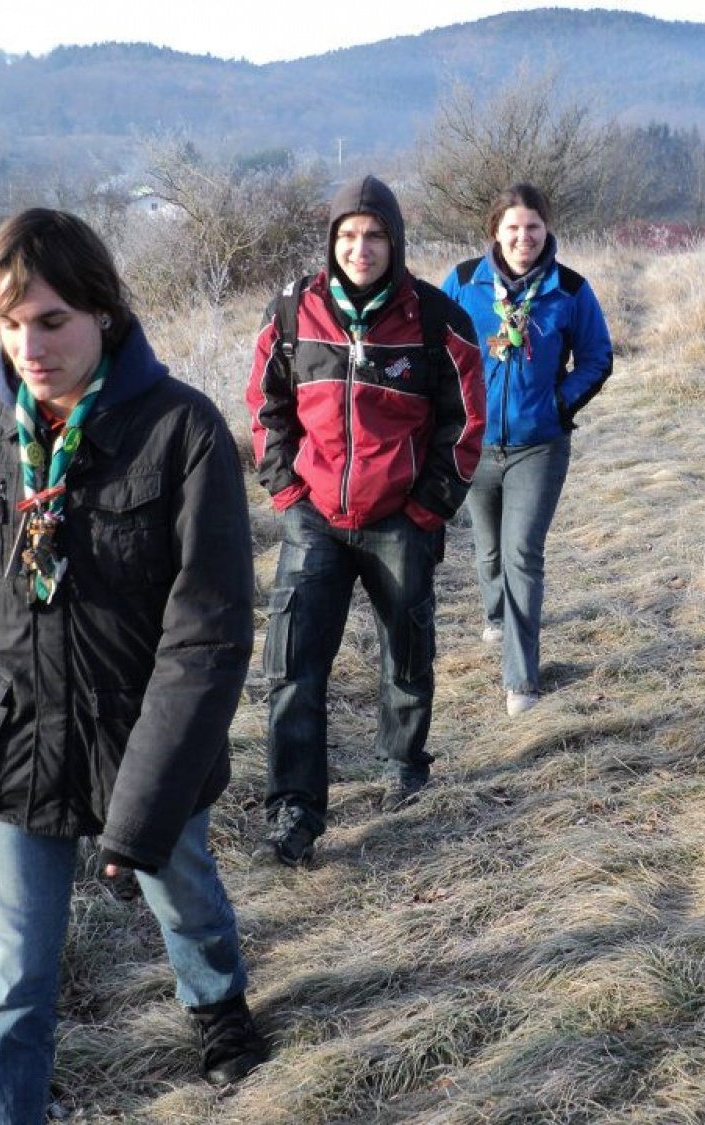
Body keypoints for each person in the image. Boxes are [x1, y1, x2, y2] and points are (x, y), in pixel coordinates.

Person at [0, 209, 267, 1122]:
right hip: (13, 742)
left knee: (182, 895)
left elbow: (208, 637)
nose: (30, 347)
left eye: (52, 320)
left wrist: (141, 810)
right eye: (10, 322)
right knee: (13, 976)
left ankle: (217, 1004)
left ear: (102, 310)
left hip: (142, 737)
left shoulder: (181, 430)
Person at [247, 174, 485, 867]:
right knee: (293, 664)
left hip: (400, 518)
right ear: (331, 242)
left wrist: (427, 507)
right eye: (348, 235)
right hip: (314, 517)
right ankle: (294, 808)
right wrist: (288, 493)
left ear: (395, 240)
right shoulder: (292, 312)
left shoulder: (436, 319)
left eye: (374, 235)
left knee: (406, 649)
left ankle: (404, 761)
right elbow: (266, 407)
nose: (361, 248)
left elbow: (466, 421)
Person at [441, 184, 613, 716]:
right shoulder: (463, 282)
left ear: (547, 228)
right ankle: (495, 616)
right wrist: (452, 411)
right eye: (513, 227)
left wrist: (557, 406)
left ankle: (521, 680)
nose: (523, 237)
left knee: (521, 555)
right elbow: (433, 349)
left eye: (533, 226)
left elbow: (597, 357)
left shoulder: (570, 289)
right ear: (495, 230)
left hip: (539, 447)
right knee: (488, 549)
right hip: (474, 445)